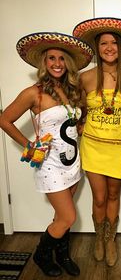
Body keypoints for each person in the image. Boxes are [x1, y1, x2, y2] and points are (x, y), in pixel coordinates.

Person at [0, 32, 93, 277]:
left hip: (73, 162)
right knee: (69, 216)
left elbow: (73, 122)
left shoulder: (70, 90)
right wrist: (28, 145)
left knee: (62, 215)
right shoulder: (34, 93)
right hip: (50, 165)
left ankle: (62, 255)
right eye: (51, 58)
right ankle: (42, 254)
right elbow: (4, 120)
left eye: (62, 59)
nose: (57, 63)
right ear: (44, 62)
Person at [72, 18, 121, 266]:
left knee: (114, 195)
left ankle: (110, 239)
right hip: (92, 146)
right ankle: (98, 238)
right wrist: (78, 124)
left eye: (114, 43)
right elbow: (78, 109)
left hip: (119, 147)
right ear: (97, 47)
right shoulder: (86, 77)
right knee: (99, 197)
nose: (109, 47)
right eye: (104, 43)